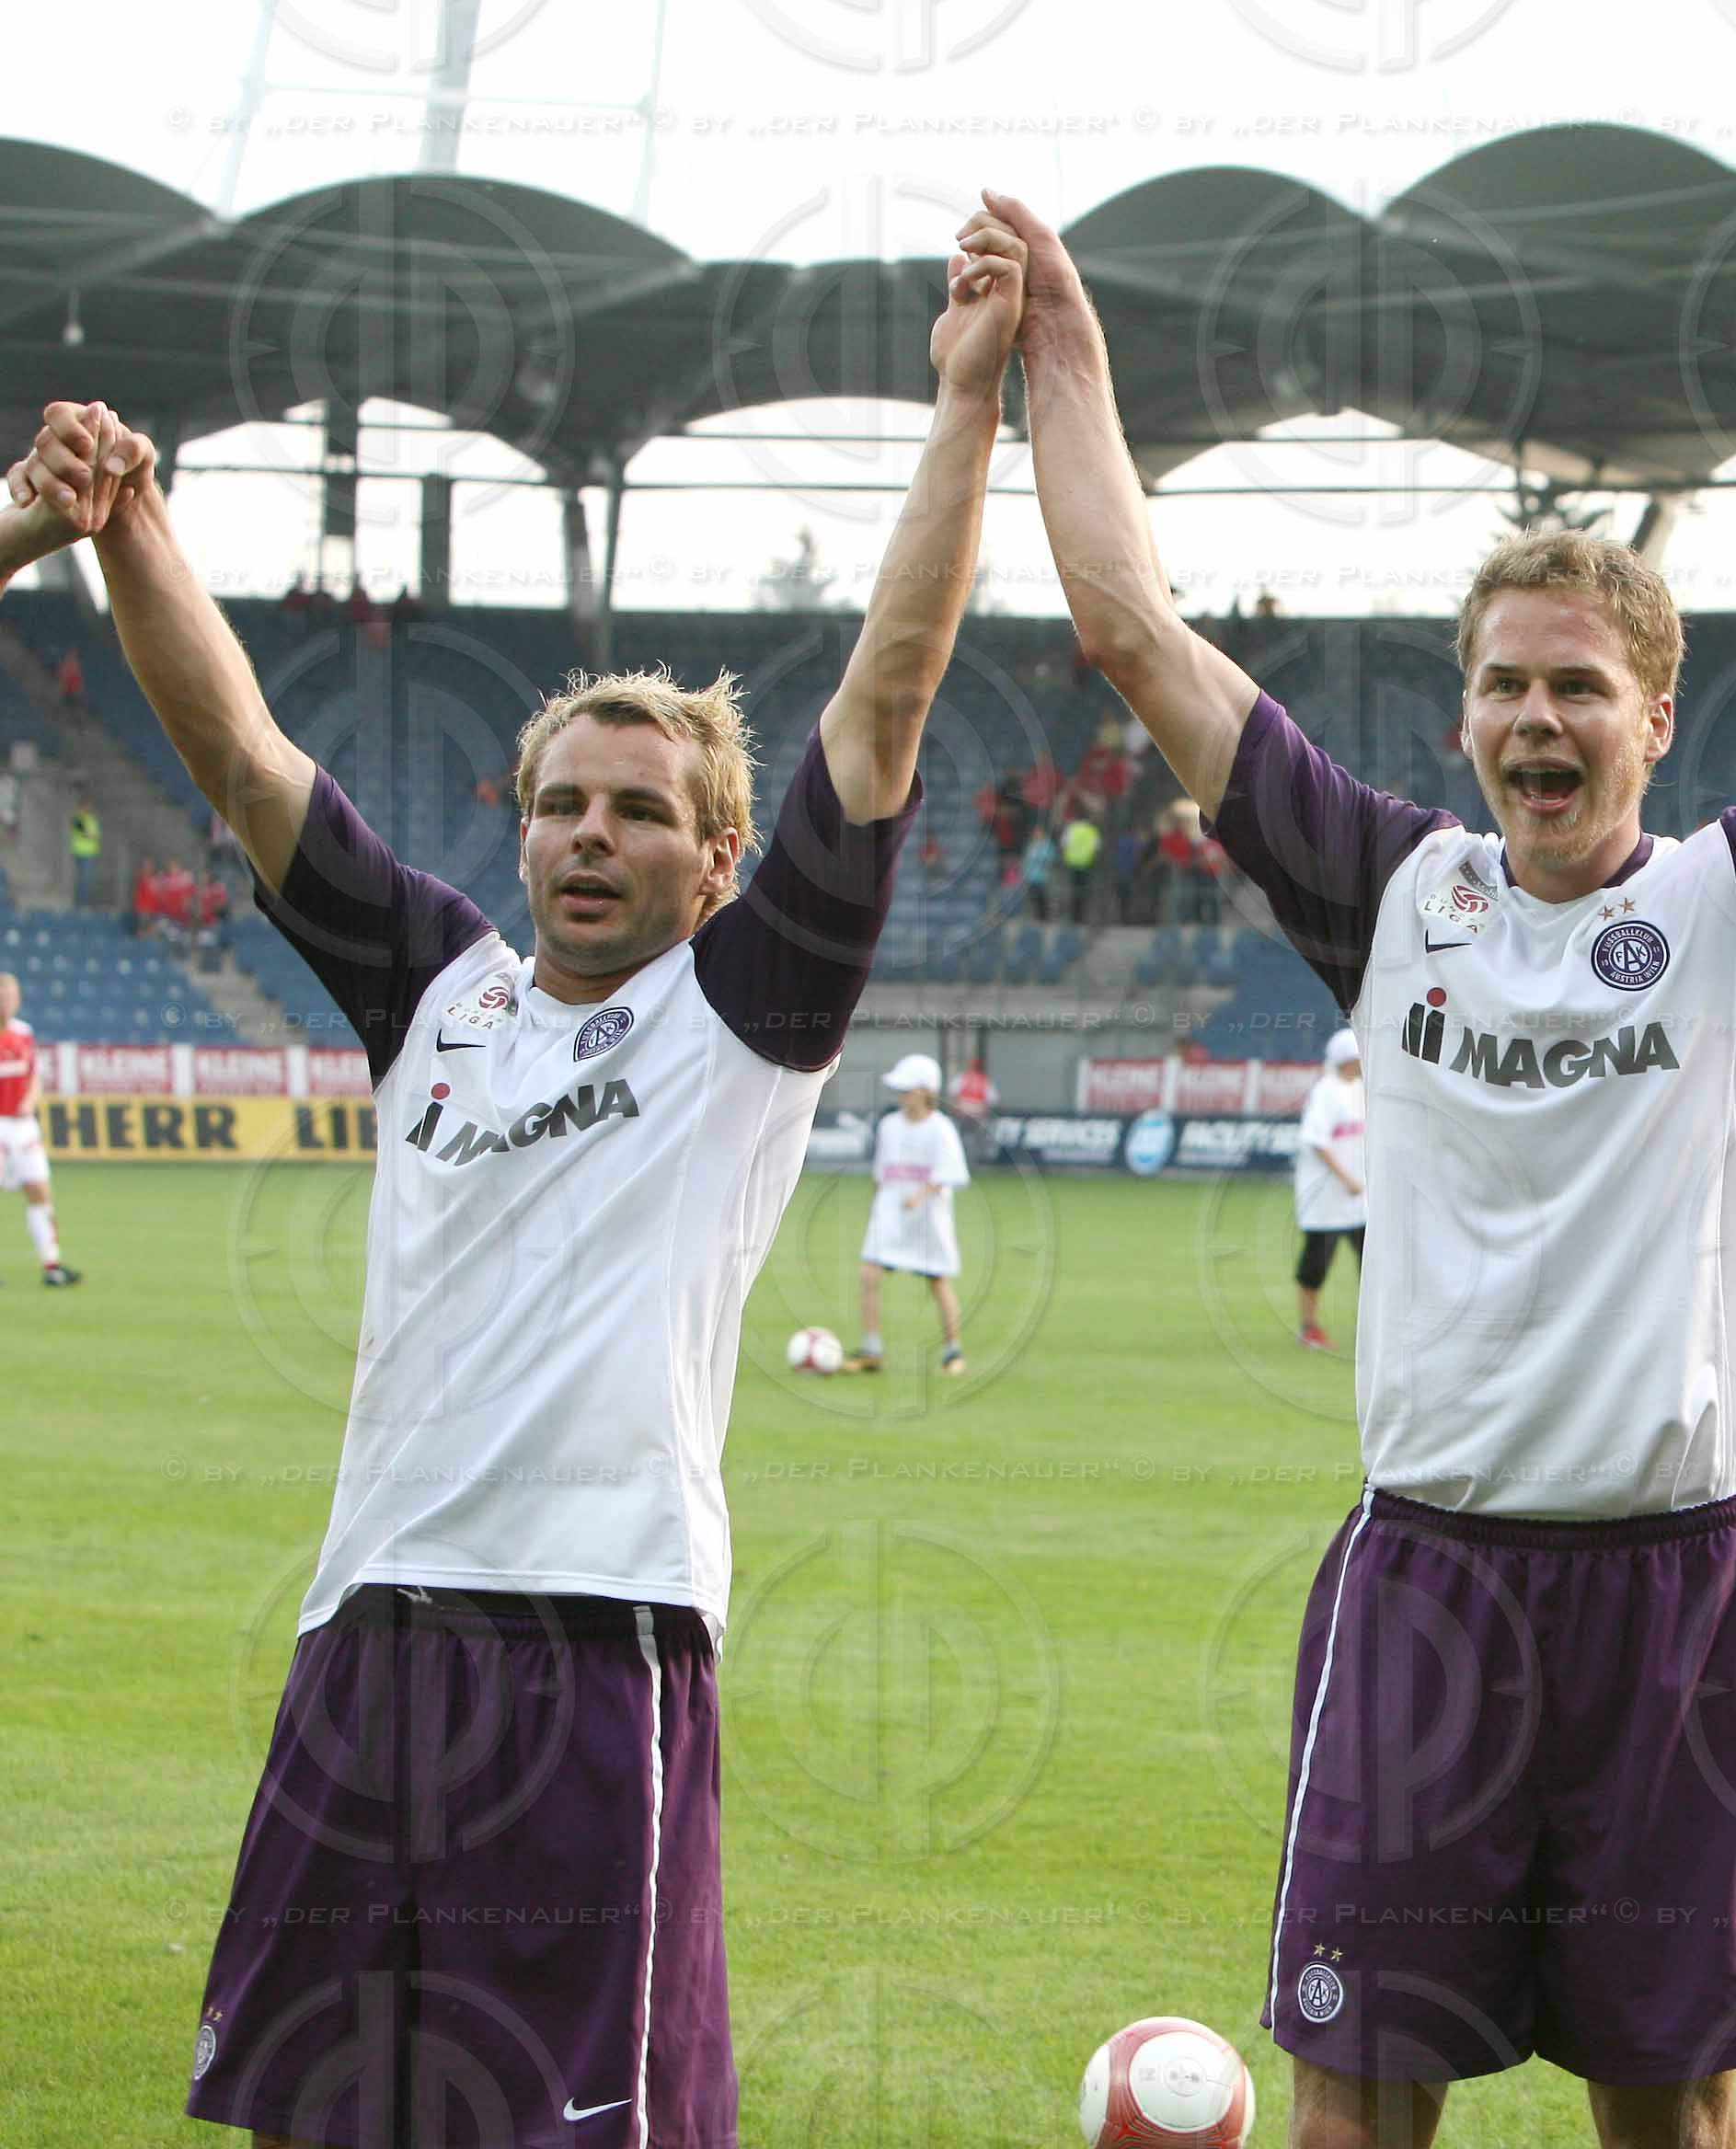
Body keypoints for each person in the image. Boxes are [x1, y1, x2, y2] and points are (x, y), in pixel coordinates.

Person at [989, 180, 1736, 2149]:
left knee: (1667, 2113)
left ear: (1651, 718)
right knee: (1358, 2096)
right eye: (1508, 687)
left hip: (1670, 1592)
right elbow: (1128, 627)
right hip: (1426, 1578)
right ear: (1465, 715)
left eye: (1579, 687)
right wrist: (1067, 350)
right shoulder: (1390, 891)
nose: (1540, 719)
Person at [4, 201, 1006, 2148]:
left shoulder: (749, 1014)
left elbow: (882, 698)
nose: (591, 838)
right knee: (319, 2112)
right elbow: (234, 743)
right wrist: (120, 513)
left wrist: (966, 408)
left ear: (721, 864)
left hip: (590, 1640)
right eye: (561, 803)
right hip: (367, 1622)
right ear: (517, 829)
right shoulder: (440, 985)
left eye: (643, 813)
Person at [854, 1052, 971, 1376]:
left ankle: (953, 1351)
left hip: (927, 1218)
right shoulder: (890, 1126)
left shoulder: (941, 1129)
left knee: (938, 1281)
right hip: (890, 1214)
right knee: (869, 1275)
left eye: (908, 1088)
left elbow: (951, 1172)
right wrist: (879, 1205)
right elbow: (883, 1173)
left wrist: (920, 1195)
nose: (902, 1094)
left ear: (924, 1090)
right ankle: (871, 1349)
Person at [0, 970, 82, 1285]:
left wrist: (30, 1101)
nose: (5, 1002)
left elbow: (34, 1074)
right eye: (1, 997)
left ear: (18, 999)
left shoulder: (24, 1032)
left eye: (9, 996)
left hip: (23, 1126)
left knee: (39, 1191)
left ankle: (52, 1265)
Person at [1294, 1029, 1367, 1350]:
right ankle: (1308, 1327)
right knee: (1316, 1266)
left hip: (1362, 1201)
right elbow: (1316, 1141)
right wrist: (1346, 1179)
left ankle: (1373, 1328)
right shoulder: (1326, 1091)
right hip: (1326, 1201)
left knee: (1372, 1264)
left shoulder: (1363, 1089)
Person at [66, 798, 98, 909]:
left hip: (91, 852)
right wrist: (91, 835)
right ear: (82, 806)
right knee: (84, 879)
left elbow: (95, 834)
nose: (90, 808)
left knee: (88, 880)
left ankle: (85, 903)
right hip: (82, 853)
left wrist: (92, 835)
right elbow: (87, 834)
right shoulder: (77, 818)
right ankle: (80, 904)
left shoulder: (91, 818)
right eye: (88, 805)